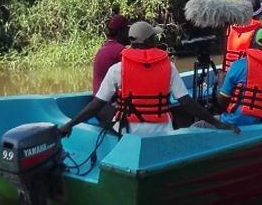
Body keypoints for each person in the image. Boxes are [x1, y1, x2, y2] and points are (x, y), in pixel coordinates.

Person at [59, 22, 239, 137]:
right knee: (181, 115)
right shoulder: (169, 67)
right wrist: (216, 123)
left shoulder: (117, 69)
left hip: (128, 132)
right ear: (149, 41)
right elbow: (186, 102)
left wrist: (70, 124)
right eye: (154, 36)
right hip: (162, 131)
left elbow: (96, 104)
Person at [92, 14, 131, 125]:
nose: (130, 35)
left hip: (99, 107)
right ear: (120, 33)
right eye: (127, 30)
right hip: (108, 107)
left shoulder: (105, 48)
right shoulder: (120, 50)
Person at [222, 0, 262, 72]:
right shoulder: (259, 32)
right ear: (258, 16)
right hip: (245, 76)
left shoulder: (229, 28)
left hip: (227, 74)